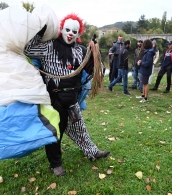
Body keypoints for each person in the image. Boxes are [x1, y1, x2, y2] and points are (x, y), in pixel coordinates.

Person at [25, 14, 110, 176]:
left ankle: (92, 152)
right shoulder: (49, 46)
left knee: (80, 128)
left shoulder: (80, 50)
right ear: (62, 29)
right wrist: (41, 32)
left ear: (79, 34)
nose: (70, 33)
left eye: (74, 31)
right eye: (68, 29)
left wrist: (94, 53)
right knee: (55, 133)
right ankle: (55, 164)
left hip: (72, 99)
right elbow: (28, 50)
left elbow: (90, 70)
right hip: (53, 99)